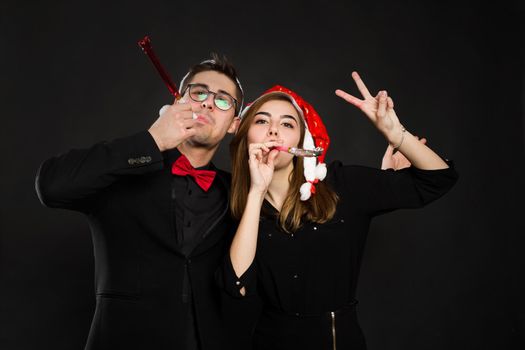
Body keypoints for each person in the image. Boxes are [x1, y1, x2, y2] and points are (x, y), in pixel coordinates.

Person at [217, 72, 458, 349]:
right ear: (245, 135)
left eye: (287, 123)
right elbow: (237, 288)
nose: (274, 130)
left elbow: (439, 179)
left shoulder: (343, 185)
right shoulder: (234, 203)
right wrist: (257, 191)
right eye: (262, 121)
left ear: (302, 141)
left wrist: (396, 134)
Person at [35, 54, 246, 350]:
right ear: (177, 102)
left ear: (234, 124)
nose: (208, 103)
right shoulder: (125, 170)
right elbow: (51, 186)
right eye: (198, 92)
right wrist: (152, 140)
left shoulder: (240, 193)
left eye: (223, 100)